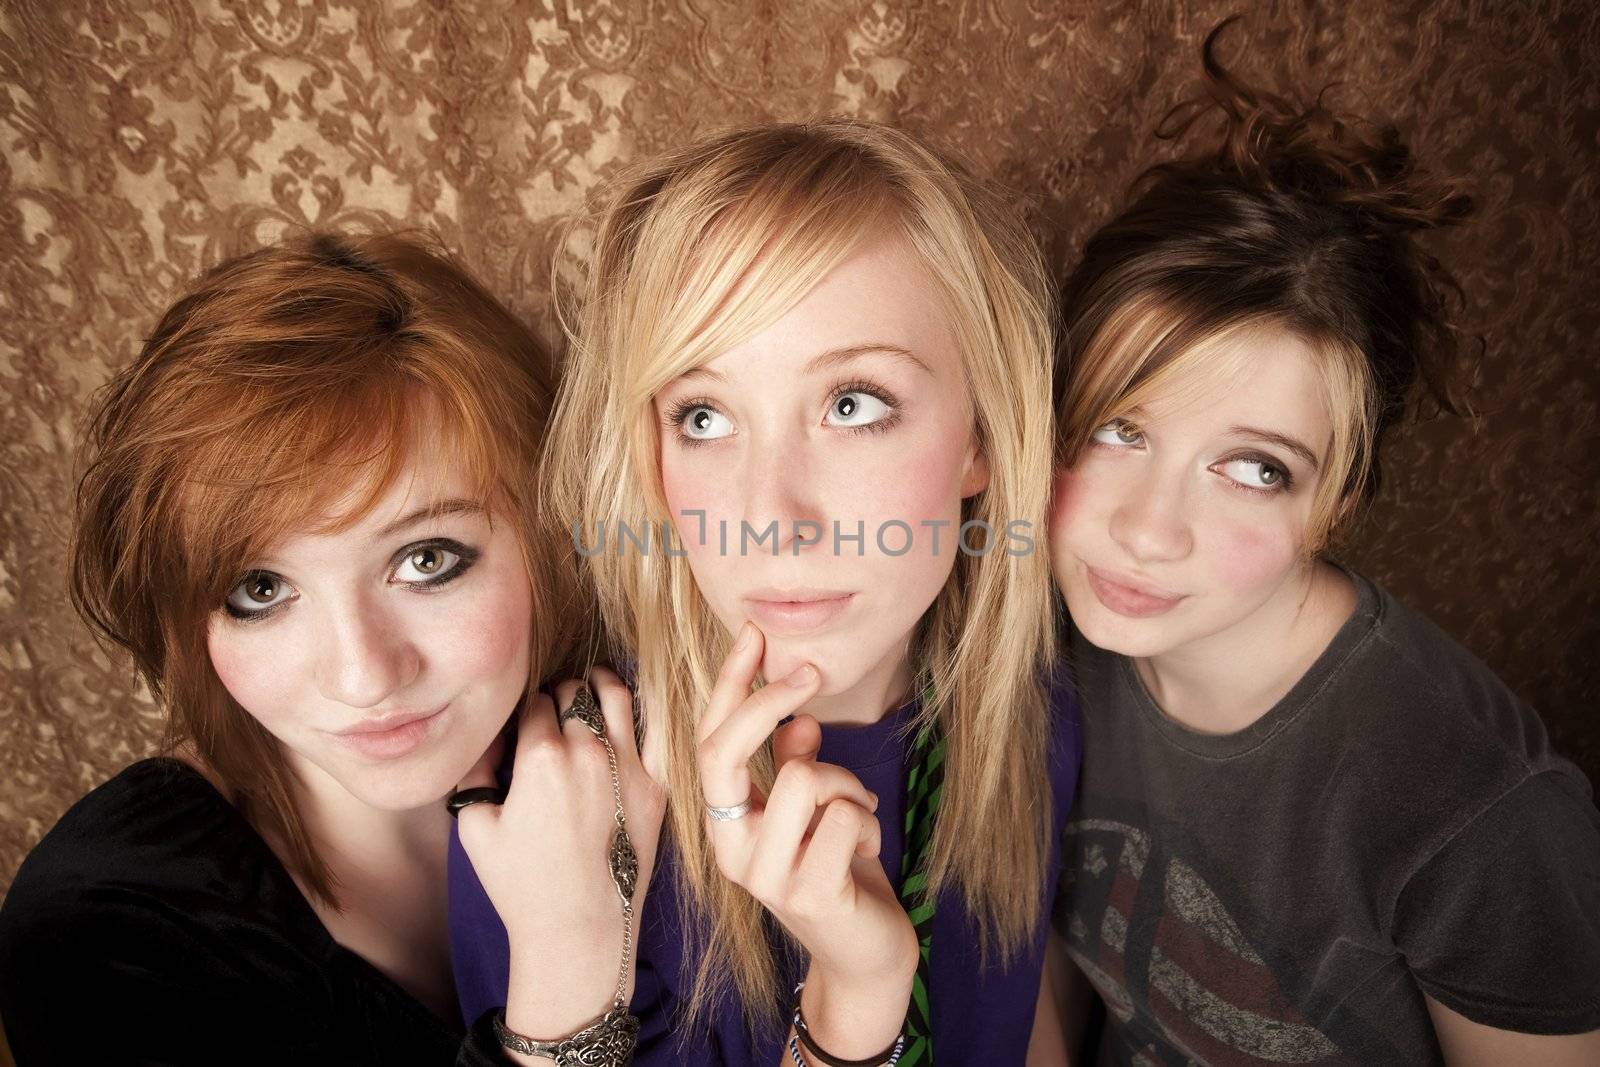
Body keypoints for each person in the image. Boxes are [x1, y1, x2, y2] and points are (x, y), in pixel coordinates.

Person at [448, 121, 1082, 1065]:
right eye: (703, 417)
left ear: (982, 438)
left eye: (853, 404)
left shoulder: (1037, 716)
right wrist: (855, 1001)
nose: (771, 517)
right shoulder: (564, 814)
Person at [1045, 23, 1600, 1065]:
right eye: (1120, 427)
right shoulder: (1054, 644)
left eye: (1253, 466)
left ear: (1335, 502)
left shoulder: (1475, 807)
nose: (1146, 528)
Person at [0, 232, 663, 1065]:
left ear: (548, 538)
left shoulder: (664, 766)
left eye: (427, 561)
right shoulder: (107, 935)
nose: (362, 674)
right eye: (261, 591)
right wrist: (569, 978)